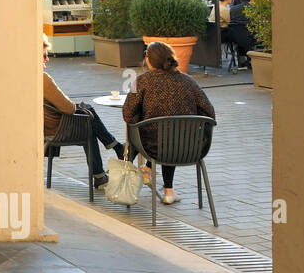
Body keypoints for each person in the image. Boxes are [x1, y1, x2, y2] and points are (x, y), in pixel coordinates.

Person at [123, 41, 216, 206]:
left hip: (152, 147)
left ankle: (132, 172)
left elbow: (128, 114)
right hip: (191, 149)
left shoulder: (141, 81)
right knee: (172, 133)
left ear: (149, 59)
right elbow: (209, 112)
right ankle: (169, 192)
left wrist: (144, 120)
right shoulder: (189, 81)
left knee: (149, 132)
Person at [42, 34, 123, 188]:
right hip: (56, 128)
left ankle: (101, 174)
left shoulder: (27, 78)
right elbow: (68, 108)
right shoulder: (43, 79)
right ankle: (115, 148)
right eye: (45, 55)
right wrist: (78, 107)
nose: (47, 59)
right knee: (88, 117)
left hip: (46, 126)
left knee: (88, 123)